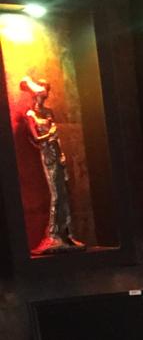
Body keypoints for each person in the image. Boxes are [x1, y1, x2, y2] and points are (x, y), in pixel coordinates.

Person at [20, 76, 84, 254]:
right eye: (41, 93)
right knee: (56, 195)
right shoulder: (30, 115)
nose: (43, 96)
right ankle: (53, 234)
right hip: (47, 154)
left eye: (45, 93)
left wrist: (61, 154)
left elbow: (57, 138)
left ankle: (67, 233)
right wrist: (50, 135)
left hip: (56, 153)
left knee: (64, 194)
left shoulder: (48, 112)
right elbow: (36, 139)